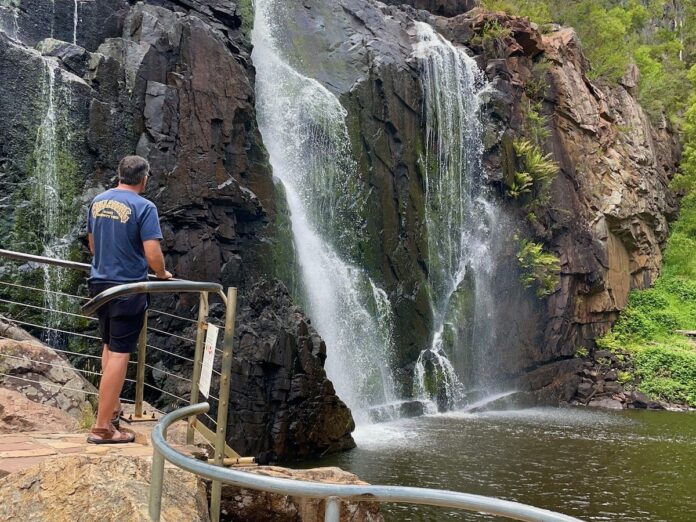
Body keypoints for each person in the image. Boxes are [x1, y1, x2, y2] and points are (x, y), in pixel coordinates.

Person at [86, 155, 172, 444]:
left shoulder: (98, 201)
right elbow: (152, 252)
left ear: (119, 174)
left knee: (109, 347)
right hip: (127, 288)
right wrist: (161, 273)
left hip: (99, 283)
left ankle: (111, 412)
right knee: (121, 353)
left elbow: (92, 243)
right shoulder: (145, 207)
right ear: (144, 179)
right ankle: (102, 428)